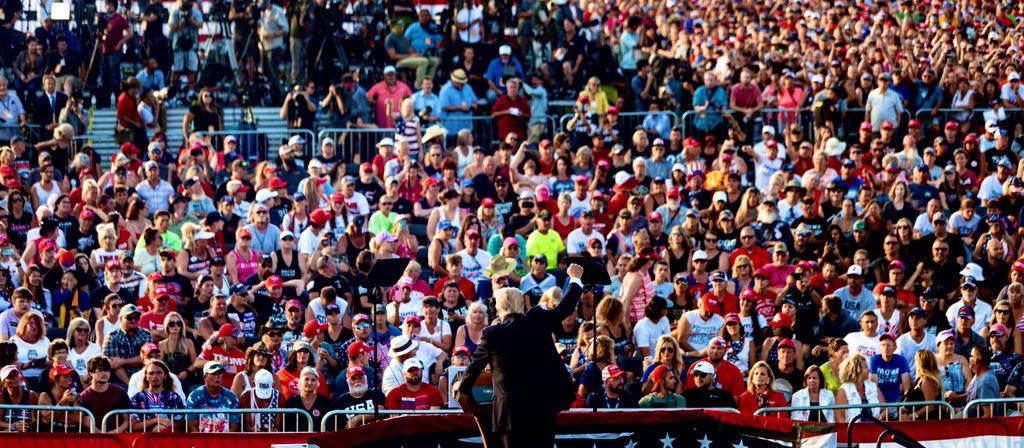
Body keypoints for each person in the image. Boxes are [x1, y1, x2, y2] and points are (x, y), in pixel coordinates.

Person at [458, 264, 585, 448]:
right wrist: (574, 279)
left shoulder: (492, 333)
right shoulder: (539, 321)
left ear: (499, 307)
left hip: (510, 414)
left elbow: (474, 368)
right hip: (542, 411)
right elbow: (565, 307)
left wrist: (462, 392)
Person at [129, 359, 185, 432]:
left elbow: (183, 424)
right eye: (151, 373)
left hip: (169, 439)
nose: (155, 376)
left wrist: (164, 426)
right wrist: (157, 420)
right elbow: (134, 426)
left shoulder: (174, 397)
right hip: (145, 440)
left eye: (159, 373)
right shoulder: (138, 398)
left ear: (165, 376)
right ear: (146, 376)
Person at [186, 362, 241, 432]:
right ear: (205, 377)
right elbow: (192, 426)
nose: (217, 376)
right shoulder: (194, 396)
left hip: (225, 440)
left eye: (220, 373)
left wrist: (225, 442)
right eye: (213, 373)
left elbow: (235, 425)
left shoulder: (231, 397)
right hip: (202, 440)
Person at [80, 356, 131, 433]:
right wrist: (102, 435)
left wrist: (114, 432)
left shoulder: (120, 392)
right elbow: (86, 422)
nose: (104, 373)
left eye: (107, 370)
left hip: (117, 439)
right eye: (100, 370)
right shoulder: (84, 396)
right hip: (94, 440)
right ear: (91, 373)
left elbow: (127, 421)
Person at [834, 354, 885, 423]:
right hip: (853, 431)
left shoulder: (873, 386)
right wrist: (850, 430)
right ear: (857, 370)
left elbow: (885, 409)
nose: (869, 370)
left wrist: (881, 416)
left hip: (876, 429)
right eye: (866, 367)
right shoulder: (843, 390)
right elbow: (839, 418)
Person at [284, 366, 332, 431]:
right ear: (300, 381)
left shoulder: (324, 402)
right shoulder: (292, 402)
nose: (309, 383)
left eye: (313, 380)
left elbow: (329, 426)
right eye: (306, 379)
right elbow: (287, 427)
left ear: (317, 383)